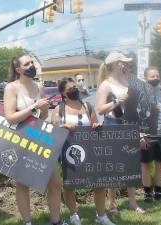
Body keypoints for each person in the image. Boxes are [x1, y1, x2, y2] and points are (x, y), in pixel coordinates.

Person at [4, 53, 67, 225]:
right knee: (23, 182)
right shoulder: (11, 87)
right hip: (21, 136)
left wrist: (44, 110)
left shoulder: (39, 86)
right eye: (27, 64)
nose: (31, 65)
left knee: (54, 181)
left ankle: (56, 221)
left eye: (32, 62)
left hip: (40, 136)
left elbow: (42, 115)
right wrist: (34, 107)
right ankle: (27, 222)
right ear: (18, 69)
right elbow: (10, 117)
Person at [51, 78, 115, 225]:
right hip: (69, 152)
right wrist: (64, 125)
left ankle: (101, 216)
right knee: (70, 184)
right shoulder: (58, 109)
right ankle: (74, 215)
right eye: (70, 88)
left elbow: (94, 123)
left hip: (90, 149)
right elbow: (53, 130)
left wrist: (97, 125)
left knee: (99, 182)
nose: (74, 89)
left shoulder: (87, 106)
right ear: (63, 93)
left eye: (75, 87)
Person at [95, 52, 145, 214]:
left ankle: (132, 203)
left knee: (130, 165)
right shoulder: (106, 85)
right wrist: (117, 101)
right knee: (113, 166)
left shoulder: (127, 81)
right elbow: (100, 109)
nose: (126, 65)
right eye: (123, 62)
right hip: (113, 125)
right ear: (116, 64)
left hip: (128, 125)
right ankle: (112, 204)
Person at [140, 67, 161, 203]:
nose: (155, 78)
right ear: (146, 78)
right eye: (152, 76)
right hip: (147, 135)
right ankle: (147, 194)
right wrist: (140, 135)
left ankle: (159, 193)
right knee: (145, 165)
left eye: (157, 76)